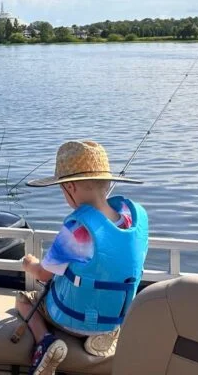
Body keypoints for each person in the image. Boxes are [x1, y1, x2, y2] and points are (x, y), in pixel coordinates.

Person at [16, 140, 149, 375]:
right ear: (107, 183)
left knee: (24, 300)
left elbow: (45, 274)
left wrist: (30, 264)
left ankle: (45, 342)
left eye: (62, 189)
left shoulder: (77, 229)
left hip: (71, 318)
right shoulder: (133, 220)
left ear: (71, 188)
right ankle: (106, 333)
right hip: (114, 318)